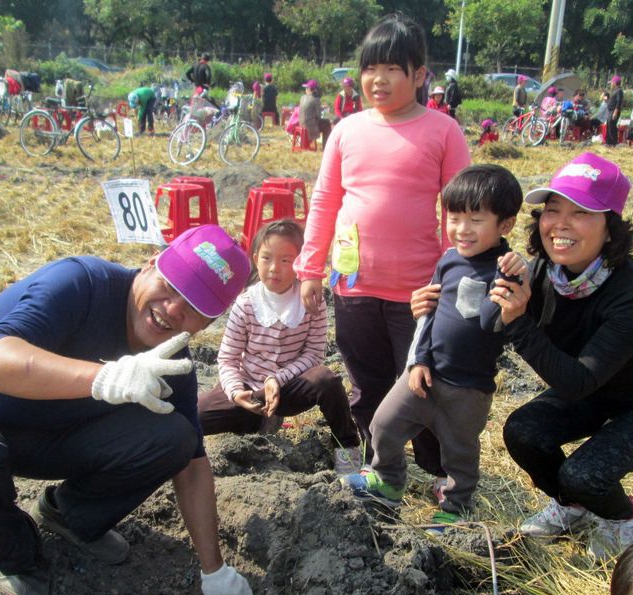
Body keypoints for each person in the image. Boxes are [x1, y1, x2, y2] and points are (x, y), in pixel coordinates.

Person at [0, 224, 256, 595]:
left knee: (174, 437)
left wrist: (214, 570)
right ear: (151, 264)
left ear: (207, 323)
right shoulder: (81, 283)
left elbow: (193, 465)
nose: (173, 309)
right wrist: (102, 377)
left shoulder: (171, 362)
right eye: (171, 286)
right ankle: (14, 545)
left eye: (196, 307)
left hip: (56, 439)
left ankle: (67, 515)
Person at [489, 152, 633, 560]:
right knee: (523, 431)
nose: (560, 224)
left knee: (584, 474)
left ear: (610, 228)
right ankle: (571, 506)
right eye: (553, 210)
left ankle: (620, 517)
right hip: (595, 390)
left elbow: (575, 382)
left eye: (581, 212)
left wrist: (518, 321)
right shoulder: (543, 272)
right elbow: (488, 326)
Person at [296, 14, 471, 484]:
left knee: (423, 383)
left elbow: (458, 210)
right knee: (367, 384)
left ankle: (439, 472)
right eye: (370, 68)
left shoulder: (443, 131)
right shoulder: (346, 130)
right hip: (353, 285)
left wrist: (455, 274)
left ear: (419, 74)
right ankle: (377, 466)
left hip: (419, 292)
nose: (379, 79)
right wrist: (311, 269)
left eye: (393, 68)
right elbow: (325, 200)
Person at [342, 165, 525, 525]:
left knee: (459, 452)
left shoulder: (508, 271)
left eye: (475, 220)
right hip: (426, 372)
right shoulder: (448, 260)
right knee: (384, 424)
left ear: (505, 225)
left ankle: (455, 509)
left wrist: (510, 276)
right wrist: (418, 360)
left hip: (469, 387)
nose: (462, 229)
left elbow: (492, 323)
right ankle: (388, 481)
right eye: (454, 218)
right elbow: (427, 314)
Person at [199, 220, 362, 474]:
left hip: (289, 388)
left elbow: (314, 355)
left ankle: (348, 449)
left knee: (327, 380)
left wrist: (277, 379)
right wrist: (235, 392)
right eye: (267, 258)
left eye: (286, 260)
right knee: (195, 416)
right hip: (250, 387)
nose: (274, 268)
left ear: (300, 262)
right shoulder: (246, 304)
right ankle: (257, 420)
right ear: (256, 259)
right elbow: (228, 359)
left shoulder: (312, 301)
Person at [298, 78, 331, 148]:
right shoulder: (316, 100)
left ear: (309, 89)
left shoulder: (302, 98)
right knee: (327, 124)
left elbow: (309, 108)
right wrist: (324, 110)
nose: (305, 89)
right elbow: (319, 116)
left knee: (325, 122)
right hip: (309, 125)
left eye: (306, 88)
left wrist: (320, 107)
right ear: (314, 90)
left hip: (301, 123)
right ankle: (326, 147)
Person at [606, 74, 624, 146]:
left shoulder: (619, 91)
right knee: (609, 126)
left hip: (614, 111)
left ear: (615, 83)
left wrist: (615, 112)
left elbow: (619, 102)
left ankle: (613, 142)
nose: (611, 84)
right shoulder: (614, 90)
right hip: (610, 111)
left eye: (612, 82)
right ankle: (608, 142)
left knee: (612, 126)